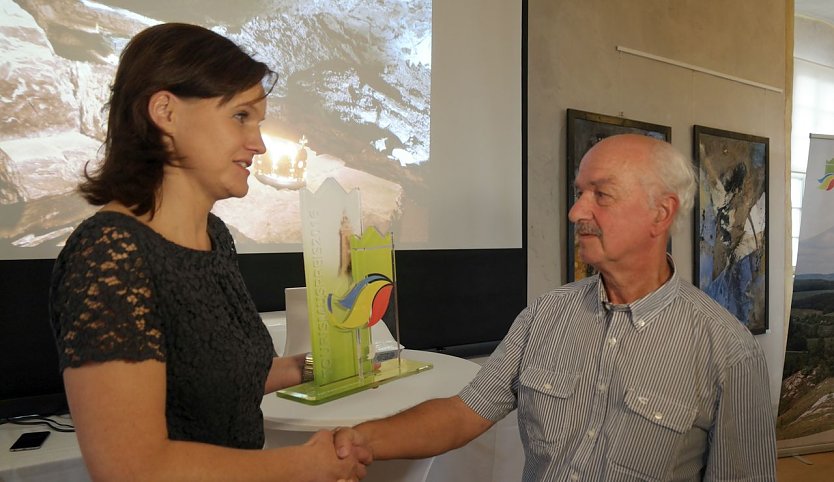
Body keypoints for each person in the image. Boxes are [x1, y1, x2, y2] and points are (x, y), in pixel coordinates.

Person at [334, 134, 777, 481]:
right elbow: (462, 414)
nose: (575, 211)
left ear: (660, 214)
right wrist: (359, 441)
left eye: (601, 195)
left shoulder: (729, 352)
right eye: (579, 192)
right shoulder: (546, 315)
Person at [49, 23, 365, 481]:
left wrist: (319, 366)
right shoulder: (109, 254)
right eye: (240, 116)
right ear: (165, 112)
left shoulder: (214, 237)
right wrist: (302, 465)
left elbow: (217, 376)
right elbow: (130, 469)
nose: (258, 143)